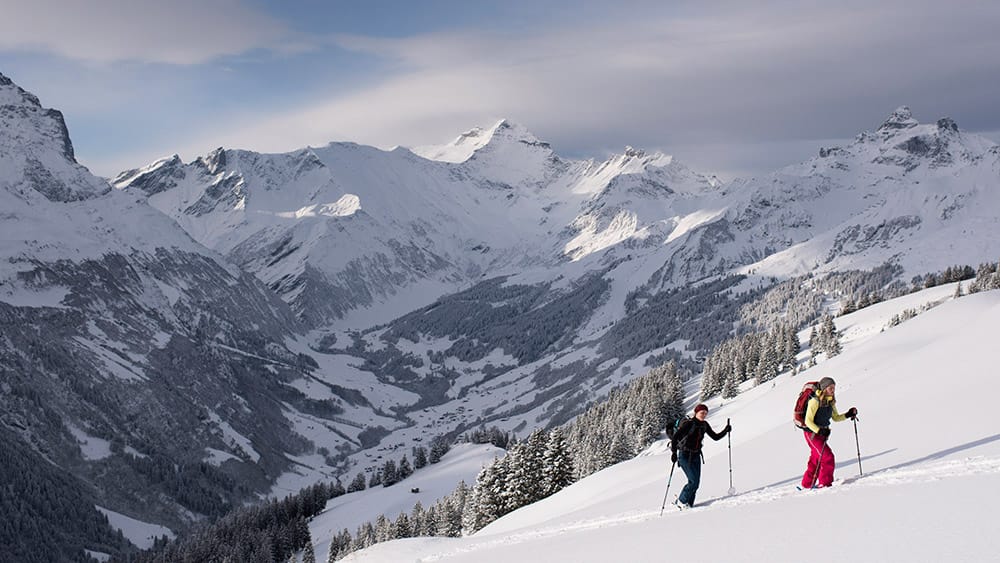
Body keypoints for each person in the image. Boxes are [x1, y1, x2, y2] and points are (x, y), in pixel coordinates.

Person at [801, 376, 858, 489]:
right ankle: (825, 484)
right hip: (812, 434)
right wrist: (819, 431)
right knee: (827, 457)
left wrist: (848, 414)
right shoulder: (814, 401)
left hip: (822, 434)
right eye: (830, 388)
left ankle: (807, 484)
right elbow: (808, 421)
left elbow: (836, 418)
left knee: (816, 459)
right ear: (824, 388)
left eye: (834, 388)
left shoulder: (830, 401)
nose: (833, 390)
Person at [671, 403, 731, 508]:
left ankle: (689, 504)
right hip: (684, 455)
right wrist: (674, 453)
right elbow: (675, 437)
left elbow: (715, 437)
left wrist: (725, 430)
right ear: (696, 413)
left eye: (705, 413)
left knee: (695, 482)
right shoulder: (689, 424)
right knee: (693, 481)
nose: (704, 415)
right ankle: (681, 501)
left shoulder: (704, 425)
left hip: (696, 455)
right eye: (701, 412)